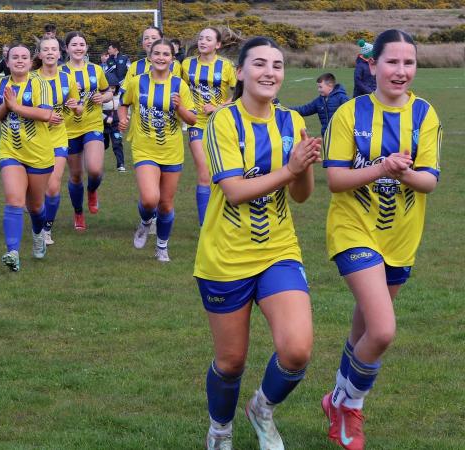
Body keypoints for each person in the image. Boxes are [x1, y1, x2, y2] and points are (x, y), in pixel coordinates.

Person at [195, 37, 322, 449]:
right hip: (225, 257)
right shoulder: (222, 122)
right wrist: (290, 168)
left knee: (297, 350)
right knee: (231, 362)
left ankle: (262, 408)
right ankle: (220, 428)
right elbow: (233, 190)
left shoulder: (291, 122)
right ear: (242, 73)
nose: (270, 72)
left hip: (278, 251)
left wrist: (302, 168)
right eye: (261, 64)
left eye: (278, 65)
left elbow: (302, 195)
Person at [320, 29, 441, 450]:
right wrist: (382, 167)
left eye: (409, 63)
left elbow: (429, 182)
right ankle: (348, 405)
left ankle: (334, 398)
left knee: (362, 332)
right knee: (383, 330)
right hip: (353, 229)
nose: (401, 71)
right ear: (372, 66)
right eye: (392, 62)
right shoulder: (349, 114)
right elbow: (336, 180)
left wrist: (404, 173)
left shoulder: (425, 115)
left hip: (401, 237)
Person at [118, 38, 196, 262]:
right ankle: (144, 222)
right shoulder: (137, 82)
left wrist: (180, 106)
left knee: (165, 203)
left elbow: (192, 119)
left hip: (172, 151)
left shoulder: (179, 85)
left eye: (166, 54)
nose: (161, 57)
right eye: (157, 53)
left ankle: (162, 246)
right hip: (144, 149)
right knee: (151, 199)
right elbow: (123, 103)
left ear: (172, 59)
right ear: (150, 57)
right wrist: (122, 119)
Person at [0, 43, 54, 271]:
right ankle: (13, 252)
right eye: (14, 57)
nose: (19, 60)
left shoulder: (40, 83)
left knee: (36, 206)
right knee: (14, 200)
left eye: (24, 57)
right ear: (7, 62)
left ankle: (38, 233)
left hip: (39, 153)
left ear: (30, 61)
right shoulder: (0, 85)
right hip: (10, 151)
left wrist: (15, 106)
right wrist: (7, 107)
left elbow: (45, 114)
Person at [181, 27, 236, 227]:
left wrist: (218, 107)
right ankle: (205, 226)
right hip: (197, 123)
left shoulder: (226, 66)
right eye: (201, 37)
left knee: (223, 174)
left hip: (221, 125)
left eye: (208, 39)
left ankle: (224, 215)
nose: (203, 41)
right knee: (204, 172)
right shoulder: (186, 64)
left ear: (218, 45)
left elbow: (239, 92)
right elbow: (178, 86)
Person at [60, 31, 111, 230]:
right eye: (74, 44)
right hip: (69, 128)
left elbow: (108, 92)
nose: (79, 47)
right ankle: (78, 212)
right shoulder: (60, 72)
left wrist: (103, 98)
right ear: (67, 48)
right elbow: (54, 98)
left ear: (87, 48)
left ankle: (92, 190)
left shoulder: (96, 70)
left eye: (82, 44)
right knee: (75, 176)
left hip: (93, 124)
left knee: (95, 170)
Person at [34, 36, 81, 246]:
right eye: (46, 49)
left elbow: (78, 110)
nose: (50, 53)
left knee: (53, 188)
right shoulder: (31, 78)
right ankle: (36, 217)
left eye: (54, 49)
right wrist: (43, 115)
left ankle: (46, 229)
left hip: (59, 138)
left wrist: (75, 107)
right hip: (33, 140)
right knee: (36, 192)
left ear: (60, 53)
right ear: (40, 54)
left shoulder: (67, 79)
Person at [289, 72, 349, 137]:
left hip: (341, 135)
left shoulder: (341, 98)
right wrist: (287, 109)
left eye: (320, 87)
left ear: (330, 85)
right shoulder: (319, 101)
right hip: (326, 136)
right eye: (318, 87)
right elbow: (305, 109)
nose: (318, 90)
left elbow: (350, 114)